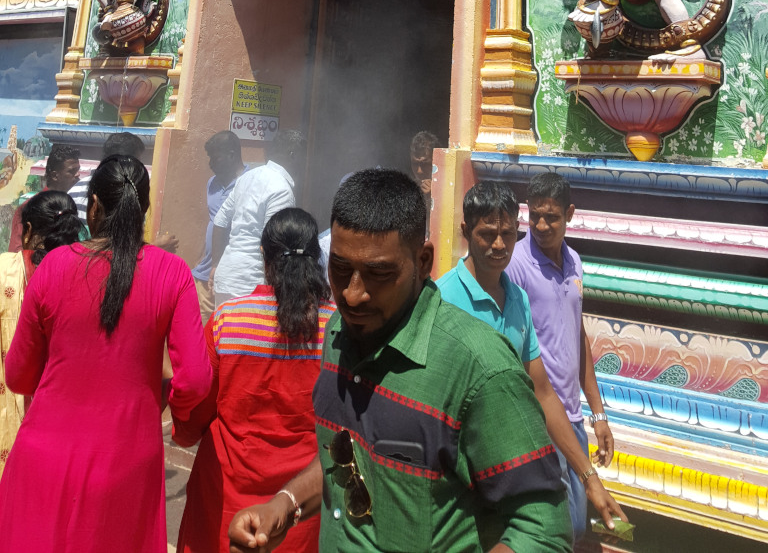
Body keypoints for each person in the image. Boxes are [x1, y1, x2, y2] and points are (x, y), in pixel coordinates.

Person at [228, 168, 571, 553]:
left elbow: (543, 528)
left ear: (423, 262)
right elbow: (350, 457)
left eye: (378, 274)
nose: (353, 294)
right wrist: (285, 504)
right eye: (340, 268)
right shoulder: (339, 333)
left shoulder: (480, 367)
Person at [0, 154, 211, 553]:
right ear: (143, 210)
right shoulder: (172, 273)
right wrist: (167, 410)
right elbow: (196, 380)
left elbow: (19, 377)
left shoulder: (54, 265)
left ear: (94, 205)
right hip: (128, 463)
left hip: (44, 458)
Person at [437, 182, 625, 543]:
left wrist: (590, 478)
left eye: (507, 234)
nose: (498, 245)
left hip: (517, 465)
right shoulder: (443, 300)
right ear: (465, 232)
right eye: (487, 234)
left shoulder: (517, 300)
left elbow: (542, 393)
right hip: (462, 481)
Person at [175, 207, 334, 553]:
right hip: (299, 508)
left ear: (264, 256)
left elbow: (196, 411)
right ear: (317, 258)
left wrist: (183, 430)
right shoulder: (338, 330)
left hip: (225, 504)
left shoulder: (227, 320)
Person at [507, 173, 615, 546]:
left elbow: (577, 334)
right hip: (538, 418)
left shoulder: (575, 262)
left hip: (572, 416)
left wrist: (598, 414)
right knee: (559, 528)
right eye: (534, 215)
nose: (540, 225)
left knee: (577, 526)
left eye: (551, 217)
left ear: (569, 213)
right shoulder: (516, 266)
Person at [0, 190, 82, 474]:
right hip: (67, 410)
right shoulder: (89, 274)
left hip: (13, 396)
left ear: (29, 230)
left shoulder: (4, 270)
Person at [211, 130, 304, 308]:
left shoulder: (247, 177)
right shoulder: (282, 189)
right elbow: (273, 242)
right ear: (293, 155)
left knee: (222, 334)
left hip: (227, 275)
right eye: (303, 157)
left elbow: (220, 221)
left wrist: (215, 264)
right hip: (252, 283)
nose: (304, 164)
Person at [69, 131, 179, 252]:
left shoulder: (74, 191)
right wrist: (154, 250)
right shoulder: (131, 192)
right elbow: (112, 252)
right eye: (138, 162)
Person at [192, 131, 247, 323]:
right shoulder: (212, 183)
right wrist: (201, 258)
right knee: (200, 333)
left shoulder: (249, 182)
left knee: (226, 330)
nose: (211, 163)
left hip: (232, 278)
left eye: (215, 158)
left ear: (232, 155)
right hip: (204, 275)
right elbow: (212, 223)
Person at [8, 144, 81, 252]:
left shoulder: (73, 205)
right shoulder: (30, 208)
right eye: (72, 171)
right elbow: (17, 251)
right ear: (55, 175)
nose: (78, 175)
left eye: (78, 169)